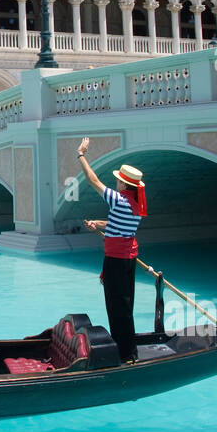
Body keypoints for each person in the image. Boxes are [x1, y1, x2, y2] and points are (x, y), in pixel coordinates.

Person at [76, 137, 146, 362]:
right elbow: (119, 225)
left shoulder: (118, 199)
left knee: (118, 307)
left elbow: (93, 180)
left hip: (116, 261)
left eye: (118, 180)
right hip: (127, 260)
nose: (115, 182)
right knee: (124, 305)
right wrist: (98, 223)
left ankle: (127, 354)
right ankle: (126, 347)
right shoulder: (135, 205)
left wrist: (81, 155)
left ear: (124, 185)